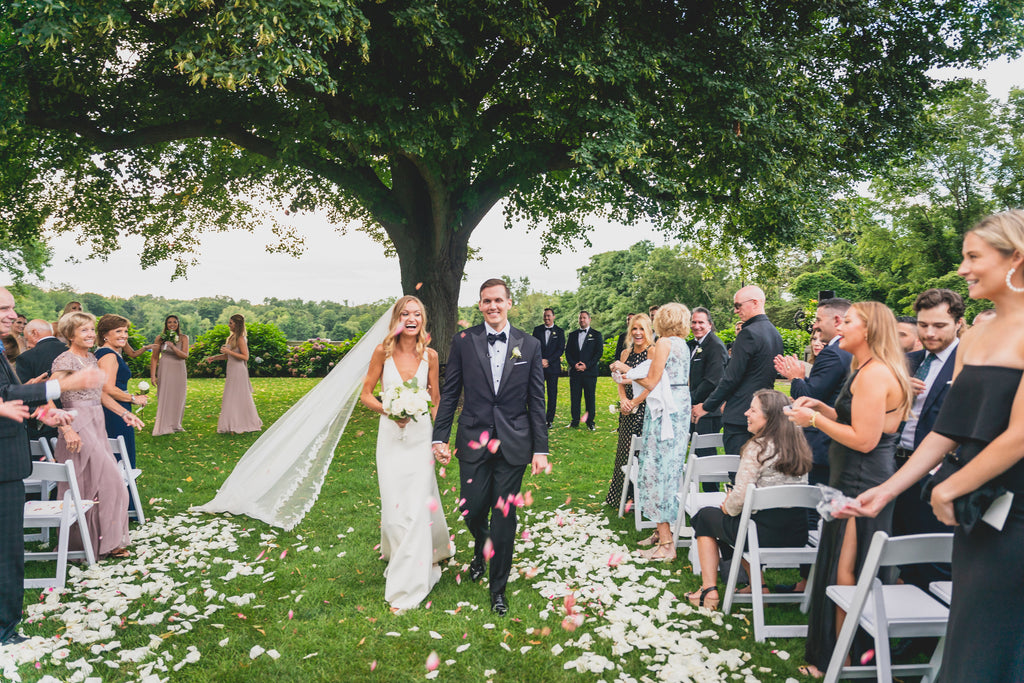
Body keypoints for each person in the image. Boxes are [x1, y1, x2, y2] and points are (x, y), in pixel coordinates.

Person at [844, 211, 1024, 682]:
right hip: (976, 512)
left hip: (1017, 512)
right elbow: (947, 428)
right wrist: (888, 489)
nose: (962, 268)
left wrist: (948, 488)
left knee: (1001, 646)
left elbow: (1020, 435)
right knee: (968, 639)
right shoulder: (978, 335)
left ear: (1016, 258)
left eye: (973, 257)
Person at [786, 301, 913, 678]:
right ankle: (839, 655)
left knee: (849, 572)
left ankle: (844, 659)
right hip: (852, 476)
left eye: (850, 320)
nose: (841, 325)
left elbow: (864, 439)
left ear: (870, 331)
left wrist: (812, 420)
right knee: (842, 567)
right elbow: (855, 420)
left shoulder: (875, 375)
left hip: (862, 479)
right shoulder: (866, 368)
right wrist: (824, 409)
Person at [432, 278, 549, 616]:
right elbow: (450, 392)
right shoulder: (464, 342)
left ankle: (498, 588)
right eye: (486, 301)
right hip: (473, 439)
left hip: (514, 442)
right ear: (480, 305)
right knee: (471, 507)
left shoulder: (528, 344)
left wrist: (540, 449)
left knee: (503, 518)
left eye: (498, 300)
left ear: (509, 303)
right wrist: (439, 437)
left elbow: (536, 400)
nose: (493, 306)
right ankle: (483, 545)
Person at [0, 287, 97, 647]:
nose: (12, 315)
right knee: (6, 553)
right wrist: (65, 384)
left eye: (12, 307)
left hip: (9, 465)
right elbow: (5, 397)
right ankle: (4, 633)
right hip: (3, 467)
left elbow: (8, 395)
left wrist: (45, 411)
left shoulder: (2, 350)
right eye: (3, 308)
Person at [360, 296, 453, 611]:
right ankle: (407, 555)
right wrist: (389, 409)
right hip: (389, 440)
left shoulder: (431, 356)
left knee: (413, 509)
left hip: (419, 438)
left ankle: (408, 586)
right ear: (397, 319)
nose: (411, 318)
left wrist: (437, 437)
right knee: (394, 511)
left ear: (422, 320)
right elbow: (366, 394)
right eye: (405, 313)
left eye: (417, 314)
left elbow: (436, 398)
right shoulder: (381, 353)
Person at [685, 390, 812, 609]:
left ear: (769, 418)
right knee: (730, 523)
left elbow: (740, 499)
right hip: (796, 533)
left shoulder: (757, 448)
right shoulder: (798, 447)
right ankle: (757, 585)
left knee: (707, 517)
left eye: (752, 410)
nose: (746, 413)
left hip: (760, 534)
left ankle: (709, 591)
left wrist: (727, 507)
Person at [51, 311, 139, 560]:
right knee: (104, 483)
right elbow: (48, 395)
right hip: (77, 424)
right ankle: (90, 543)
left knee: (98, 484)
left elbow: (100, 394)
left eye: (92, 329)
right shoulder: (64, 360)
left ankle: (102, 544)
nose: (91, 334)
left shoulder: (91, 359)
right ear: (70, 335)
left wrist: (124, 413)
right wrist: (66, 429)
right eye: (84, 331)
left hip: (97, 422)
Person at [892, 289, 963, 589]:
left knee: (934, 560)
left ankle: (932, 632)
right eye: (923, 325)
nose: (930, 333)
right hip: (895, 464)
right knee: (901, 550)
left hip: (937, 472)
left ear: (959, 323)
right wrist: (896, 389)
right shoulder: (906, 361)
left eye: (939, 325)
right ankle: (909, 628)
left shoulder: (969, 362)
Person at [617, 303, 691, 561]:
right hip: (680, 408)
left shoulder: (664, 344)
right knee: (670, 470)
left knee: (657, 472)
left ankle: (667, 544)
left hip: (664, 415)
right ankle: (661, 533)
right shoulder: (683, 344)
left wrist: (627, 371)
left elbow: (651, 380)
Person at [774, 298, 853, 496]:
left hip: (824, 440)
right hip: (838, 437)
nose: (815, 325)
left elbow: (809, 396)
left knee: (817, 502)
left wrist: (796, 378)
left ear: (836, 320)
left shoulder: (833, 353)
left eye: (818, 319)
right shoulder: (847, 351)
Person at [693, 286, 783, 456]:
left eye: (738, 305)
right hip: (764, 413)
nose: (735, 311)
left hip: (740, 416)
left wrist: (706, 406)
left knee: (737, 474)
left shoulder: (748, 333)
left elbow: (731, 378)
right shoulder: (774, 333)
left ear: (755, 303)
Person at [605, 313, 653, 507]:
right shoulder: (626, 353)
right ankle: (623, 498)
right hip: (627, 411)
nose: (638, 333)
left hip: (646, 409)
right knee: (625, 453)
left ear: (648, 330)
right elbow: (620, 381)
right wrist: (624, 400)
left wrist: (635, 402)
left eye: (642, 328)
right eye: (634, 328)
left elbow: (653, 384)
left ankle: (644, 501)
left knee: (643, 454)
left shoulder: (653, 352)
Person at [95, 315, 149, 469]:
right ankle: (122, 491)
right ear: (105, 334)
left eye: (125, 331)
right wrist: (133, 398)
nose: (124, 335)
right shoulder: (109, 355)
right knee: (120, 452)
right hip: (114, 410)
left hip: (116, 406)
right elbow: (107, 388)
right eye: (118, 331)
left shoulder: (107, 352)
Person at [205, 314, 262, 434]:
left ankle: (244, 422)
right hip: (231, 370)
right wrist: (214, 358)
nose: (228, 325)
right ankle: (231, 422)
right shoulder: (232, 337)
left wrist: (229, 351)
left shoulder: (241, 338)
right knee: (230, 396)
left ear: (237, 324)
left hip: (238, 370)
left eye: (231, 323)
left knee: (238, 396)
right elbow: (228, 356)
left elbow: (245, 356)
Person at [15, 320, 68, 443]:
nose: (28, 344)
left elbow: (25, 395)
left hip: (44, 425)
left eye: (27, 339)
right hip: (77, 417)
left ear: (34, 333)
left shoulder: (26, 357)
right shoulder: (70, 350)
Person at [688, 307, 727, 468]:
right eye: (694, 322)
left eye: (701, 322)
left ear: (709, 325)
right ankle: (697, 491)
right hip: (693, 407)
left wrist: (689, 399)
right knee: (695, 455)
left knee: (706, 457)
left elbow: (713, 380)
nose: (697, 326)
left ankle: (713, 491)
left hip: (708, 410)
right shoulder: (691, 345)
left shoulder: (715, 346)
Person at [151, 315, 189, 436]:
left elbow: (184, 355)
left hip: (179, 368)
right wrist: (153, 375)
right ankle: (163, 424)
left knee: (179, 396)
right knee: (165, 395)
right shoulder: (159, 338)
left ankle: (176, 424)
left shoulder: (184, 338)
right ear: (166, 324)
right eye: (169, 322)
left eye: (174, 322)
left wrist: (173, 346)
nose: (172, 324)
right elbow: (155, 357)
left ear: (178, 324)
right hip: (165, 368)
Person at [564, 310, 603, 430]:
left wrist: (587, 365)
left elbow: (598, 353)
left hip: (589, 372)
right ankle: (575, 421)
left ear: (589, 319)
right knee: (575, 398)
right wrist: (574, 364)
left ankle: (590, 422)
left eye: (584, 318)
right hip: (575, 372)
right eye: (580, 318)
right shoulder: (572, 334)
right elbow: (568, 352)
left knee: (590, 397)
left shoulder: (596, 335)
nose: (582, 320)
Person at [531, 308, 565, 428]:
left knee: (552, 394)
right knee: (538, 393)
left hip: (553, 367)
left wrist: (548, 360)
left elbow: (560, 349)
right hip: (539, 367)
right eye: (545, 316)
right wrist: (540, 360)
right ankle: (539, 418)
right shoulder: (537, 330)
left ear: (553, 317)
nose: (546, 318)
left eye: (549, 316)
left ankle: (549, 420)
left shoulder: (560, 332)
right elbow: (533, 347)